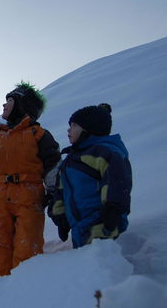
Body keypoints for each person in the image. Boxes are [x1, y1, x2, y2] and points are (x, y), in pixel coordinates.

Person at [0, 82, 60, 279]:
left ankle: (23, 284)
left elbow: (52, 165)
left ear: (22, 105)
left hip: (30, 195)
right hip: (1, 195)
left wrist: (54, 192)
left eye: (9, 101)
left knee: (27, 240)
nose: (4, 105)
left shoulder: (39, 134)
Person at [48, 103, 132, 248]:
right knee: (85, 262)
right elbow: (61, 190)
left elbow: (116, 182)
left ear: (89, 129)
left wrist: (113, 209)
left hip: (103, 221)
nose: (69, 129)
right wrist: (60, 215)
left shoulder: (104, 152)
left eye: (74, 126)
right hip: (79, 226)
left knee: (100, 262)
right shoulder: (69, 161)